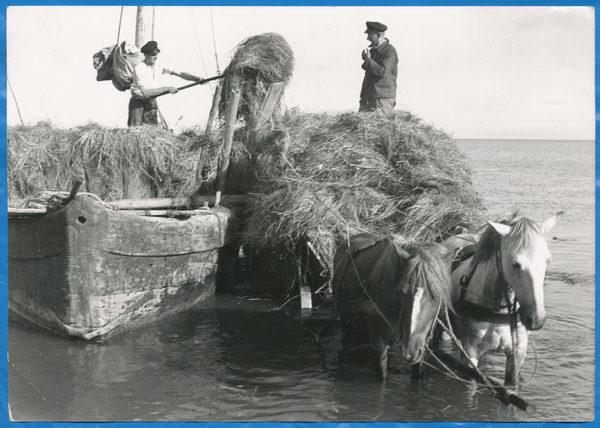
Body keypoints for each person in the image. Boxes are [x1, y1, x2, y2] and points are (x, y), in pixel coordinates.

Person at [128, 41, 203, 127]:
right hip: (138, 102)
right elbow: (145, 92)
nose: (155, 57)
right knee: (135, 130)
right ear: (145, 55)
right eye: (153, 55)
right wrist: (166, 88)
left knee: (152, 130)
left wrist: (195, 78)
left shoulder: (159, 64)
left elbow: (180, 73)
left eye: (156, 54)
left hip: (151, 101)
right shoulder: (140, 68)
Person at [359, 21, 398, 114]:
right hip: (369, 97)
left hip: (381, 100)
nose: (368, 38)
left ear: (378, 34)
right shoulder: (373, 51)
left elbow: (382, 72)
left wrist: (368, 60)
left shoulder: (390, 51)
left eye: (370, 35)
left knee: (381, 127)